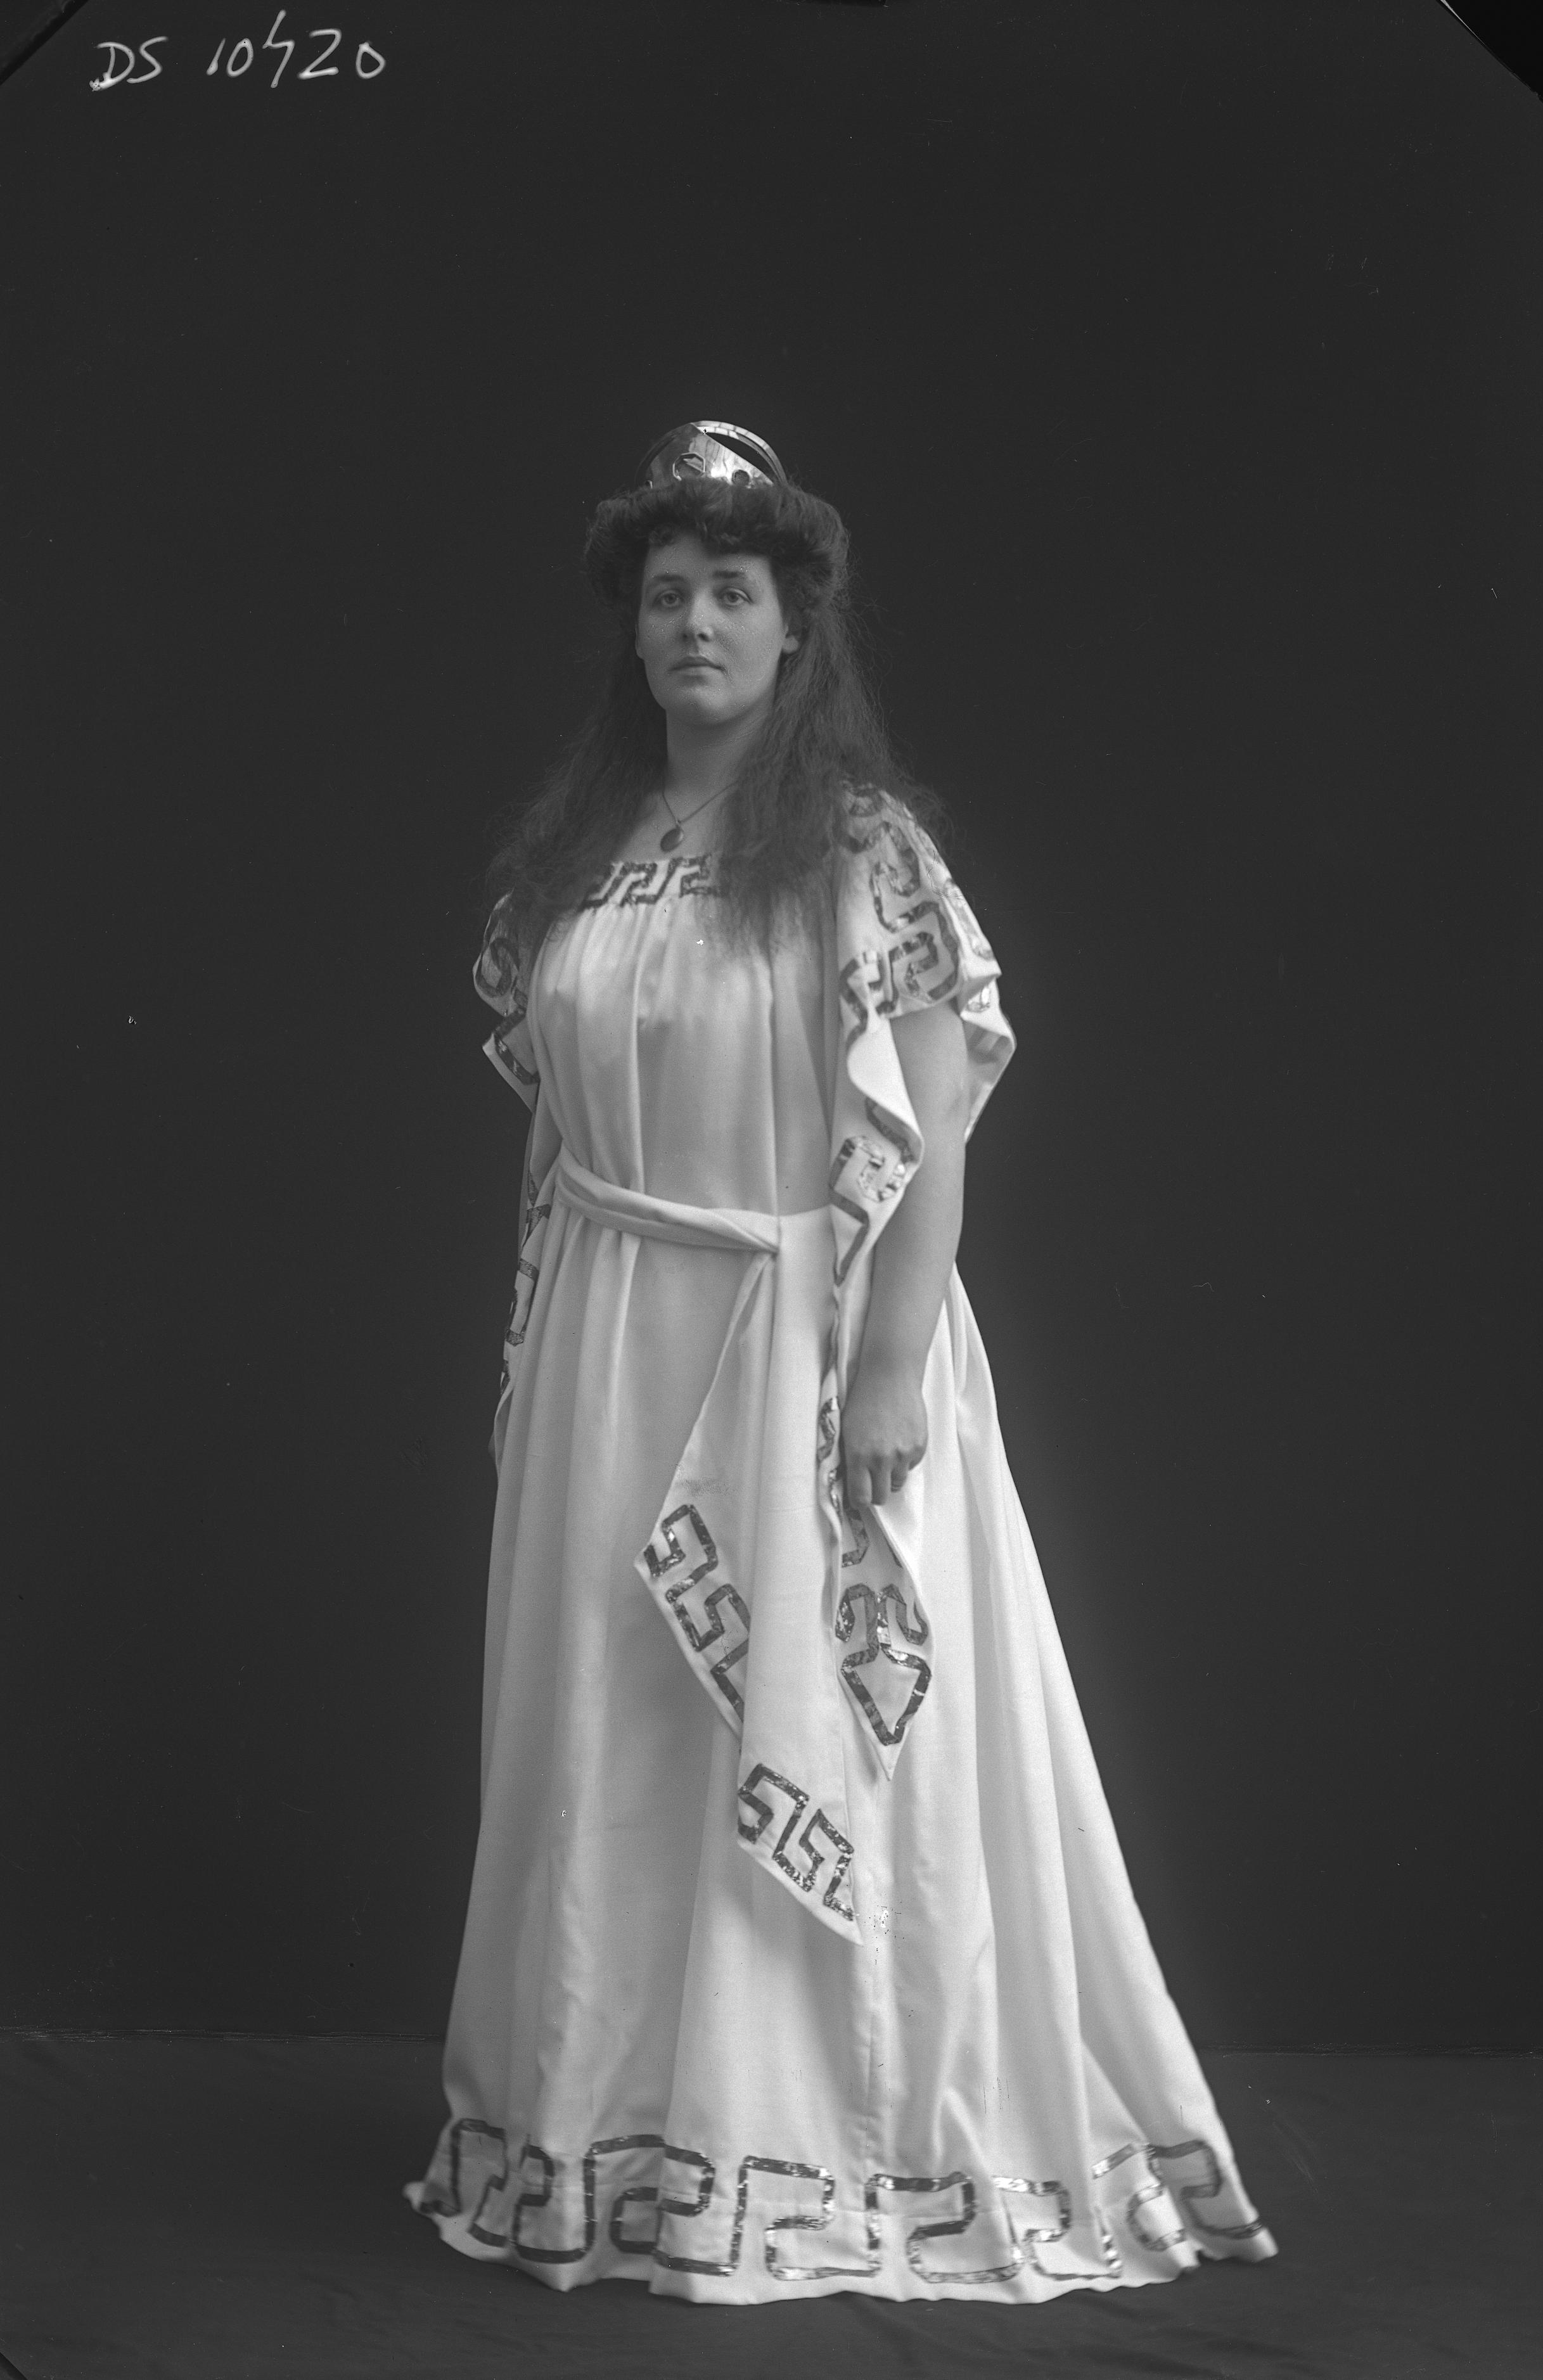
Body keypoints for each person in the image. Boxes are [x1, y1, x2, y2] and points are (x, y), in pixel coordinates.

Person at [406, 421, 1276, 2303]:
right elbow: (557, 1122)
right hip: (611, 1344)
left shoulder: (862, 854)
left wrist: (889, 1362)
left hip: (805, 1337)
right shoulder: (585, 853)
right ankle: (606, 2134)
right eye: (665, 595)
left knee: (800, 1719)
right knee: (615, 1737)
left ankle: (808, 2142)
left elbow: (931, 1118)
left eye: (732, 592)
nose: (694, 624)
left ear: (795, 626)